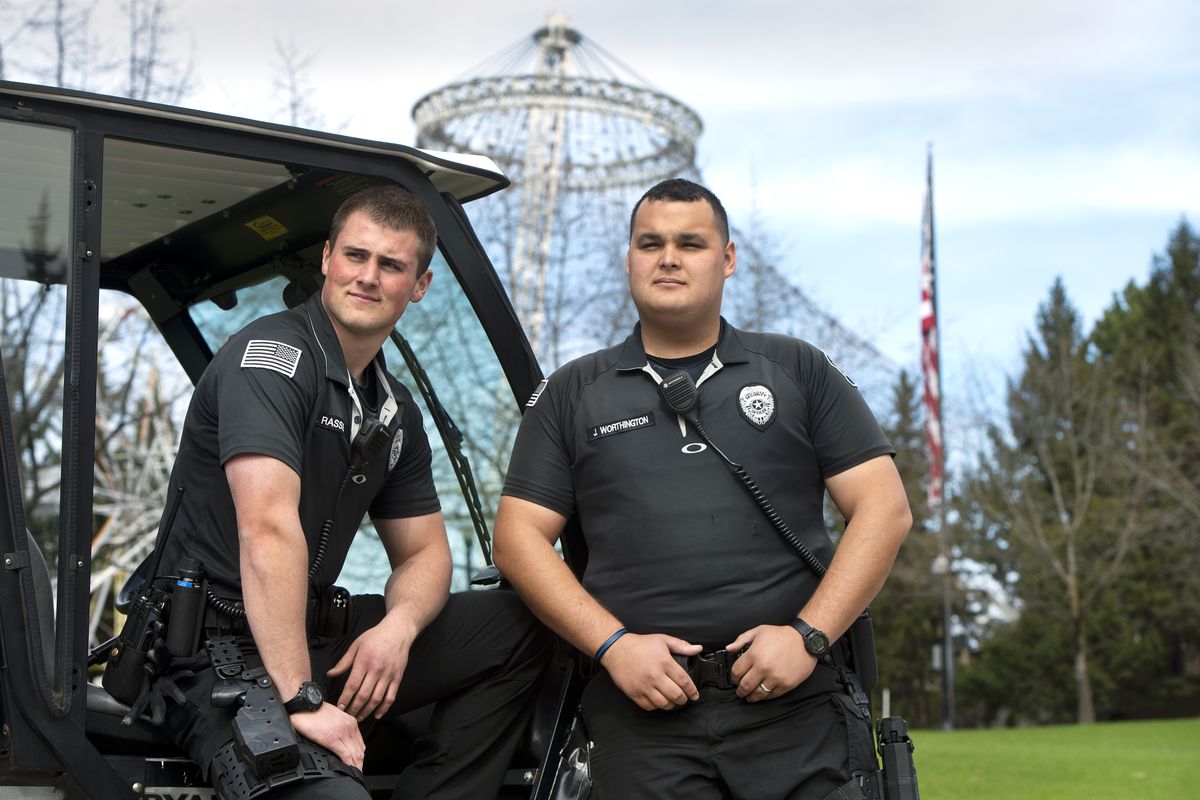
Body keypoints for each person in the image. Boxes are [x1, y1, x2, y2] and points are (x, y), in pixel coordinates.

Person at [492, 178, 912, 799]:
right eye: (649, 243)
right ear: (629, 257)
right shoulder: (572, 392)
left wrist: (808, 635)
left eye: (690, 243)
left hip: (793, 704)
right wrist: (613, 647)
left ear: (728, 258)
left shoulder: (797, 369)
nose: (668, 258)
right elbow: (518, 539)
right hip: (639, 715)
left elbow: (885, 509)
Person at [141, 185, 551, 800]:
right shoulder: (271, 360)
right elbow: (267, 529)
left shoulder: (392, 412)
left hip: (310, 635)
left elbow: (426, 556)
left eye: (391, 265)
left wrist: (399, 628)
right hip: (211, 655)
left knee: (522, 622)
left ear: (419, 285)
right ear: (329, 258)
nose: (368, 276)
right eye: (355, 256)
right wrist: (301, 697)